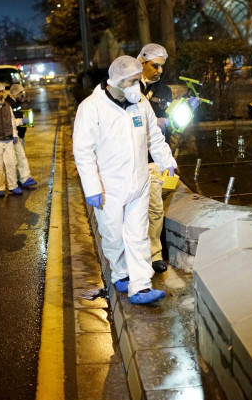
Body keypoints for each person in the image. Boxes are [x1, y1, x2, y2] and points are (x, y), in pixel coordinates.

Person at [73, 55, 177, 305]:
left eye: (136, 81)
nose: (136, 86)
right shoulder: (91, 107)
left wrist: (167, 161)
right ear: (117, 81)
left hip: (139, 183)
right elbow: (83, 150)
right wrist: (91, 187)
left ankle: (140, 286)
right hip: (108, 187)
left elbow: (154, 135)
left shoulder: (141, 103)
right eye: (131, 81)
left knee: (138, 235)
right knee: (112, 235)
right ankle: (121, 273)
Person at [138, 43, 175, 274]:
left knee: (154, 210)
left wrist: (169, 123)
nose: (159, 71)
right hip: (129, 159)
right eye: (155, 65)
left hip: (152, 157)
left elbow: (168, 127)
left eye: (162, 66)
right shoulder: (129, 87)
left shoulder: (164, 91)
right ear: (142, 61)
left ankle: (154, 255)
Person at [5, 83, 37, 188]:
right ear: (15, 93)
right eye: (20, 93)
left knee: (18, 157)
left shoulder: (15, 102)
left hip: (19, 133)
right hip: (14, 134)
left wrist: (23, 116)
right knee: (20, 157)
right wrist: (21, 121)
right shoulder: (8, 103)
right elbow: (10, 121)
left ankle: (20, 179)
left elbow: (17, 113)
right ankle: (24, 179)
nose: (21, 94)